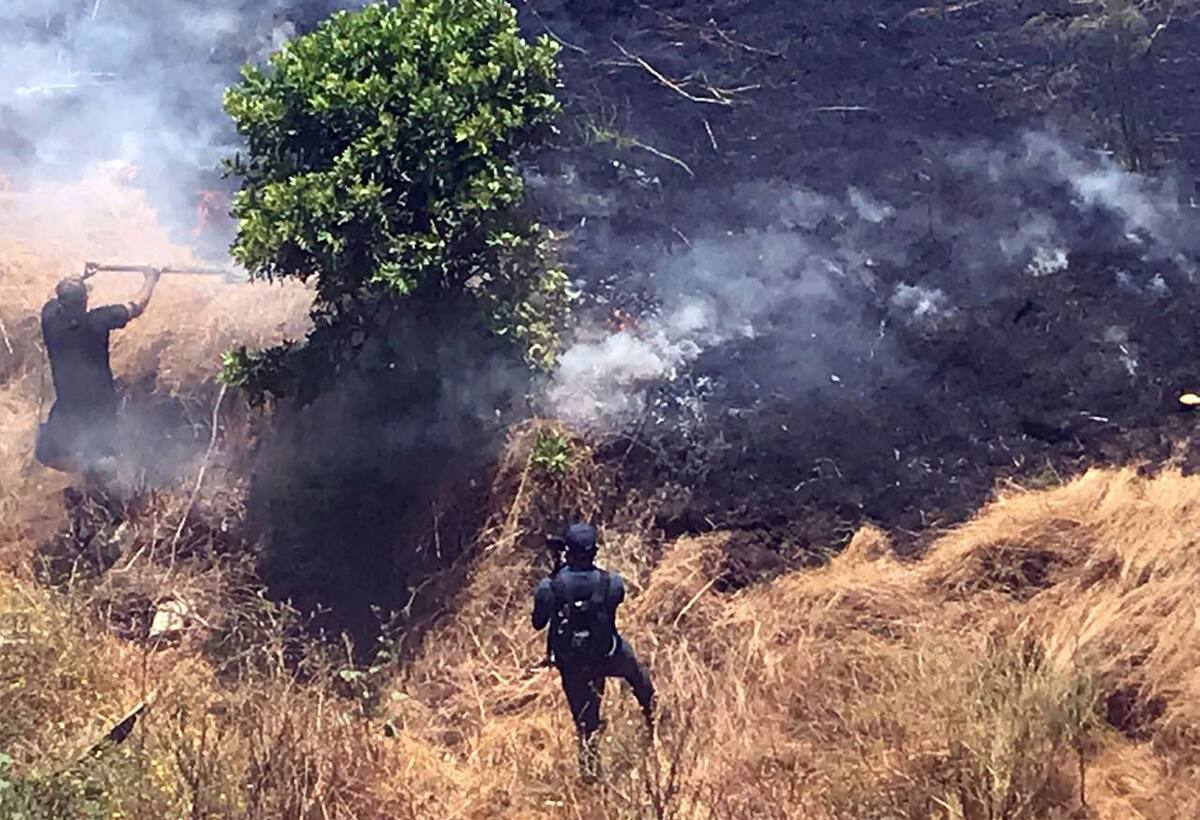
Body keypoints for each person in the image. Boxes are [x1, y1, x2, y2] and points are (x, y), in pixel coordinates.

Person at [532, 522, 655, 783]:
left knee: (585, 724)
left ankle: (590, 778)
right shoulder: (612, 582)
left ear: (567, 551)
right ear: (594, 551)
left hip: (573, 664)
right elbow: (613, 600)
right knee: (635, 670)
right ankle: (651, 713)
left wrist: (557, 574)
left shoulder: (550, 586)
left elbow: (538, 622)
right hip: (607, 654)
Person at [36, 266, 161, 476]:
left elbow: (51, 297)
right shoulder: (98, 320)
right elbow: (137, 306)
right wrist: (151, 278)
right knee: (102, 457)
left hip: (68, 404)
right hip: (100, 404)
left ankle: (87, 473)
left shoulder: (50, 319)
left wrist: (80, 275)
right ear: (85, 301)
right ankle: (95, 475)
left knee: (47, 455)